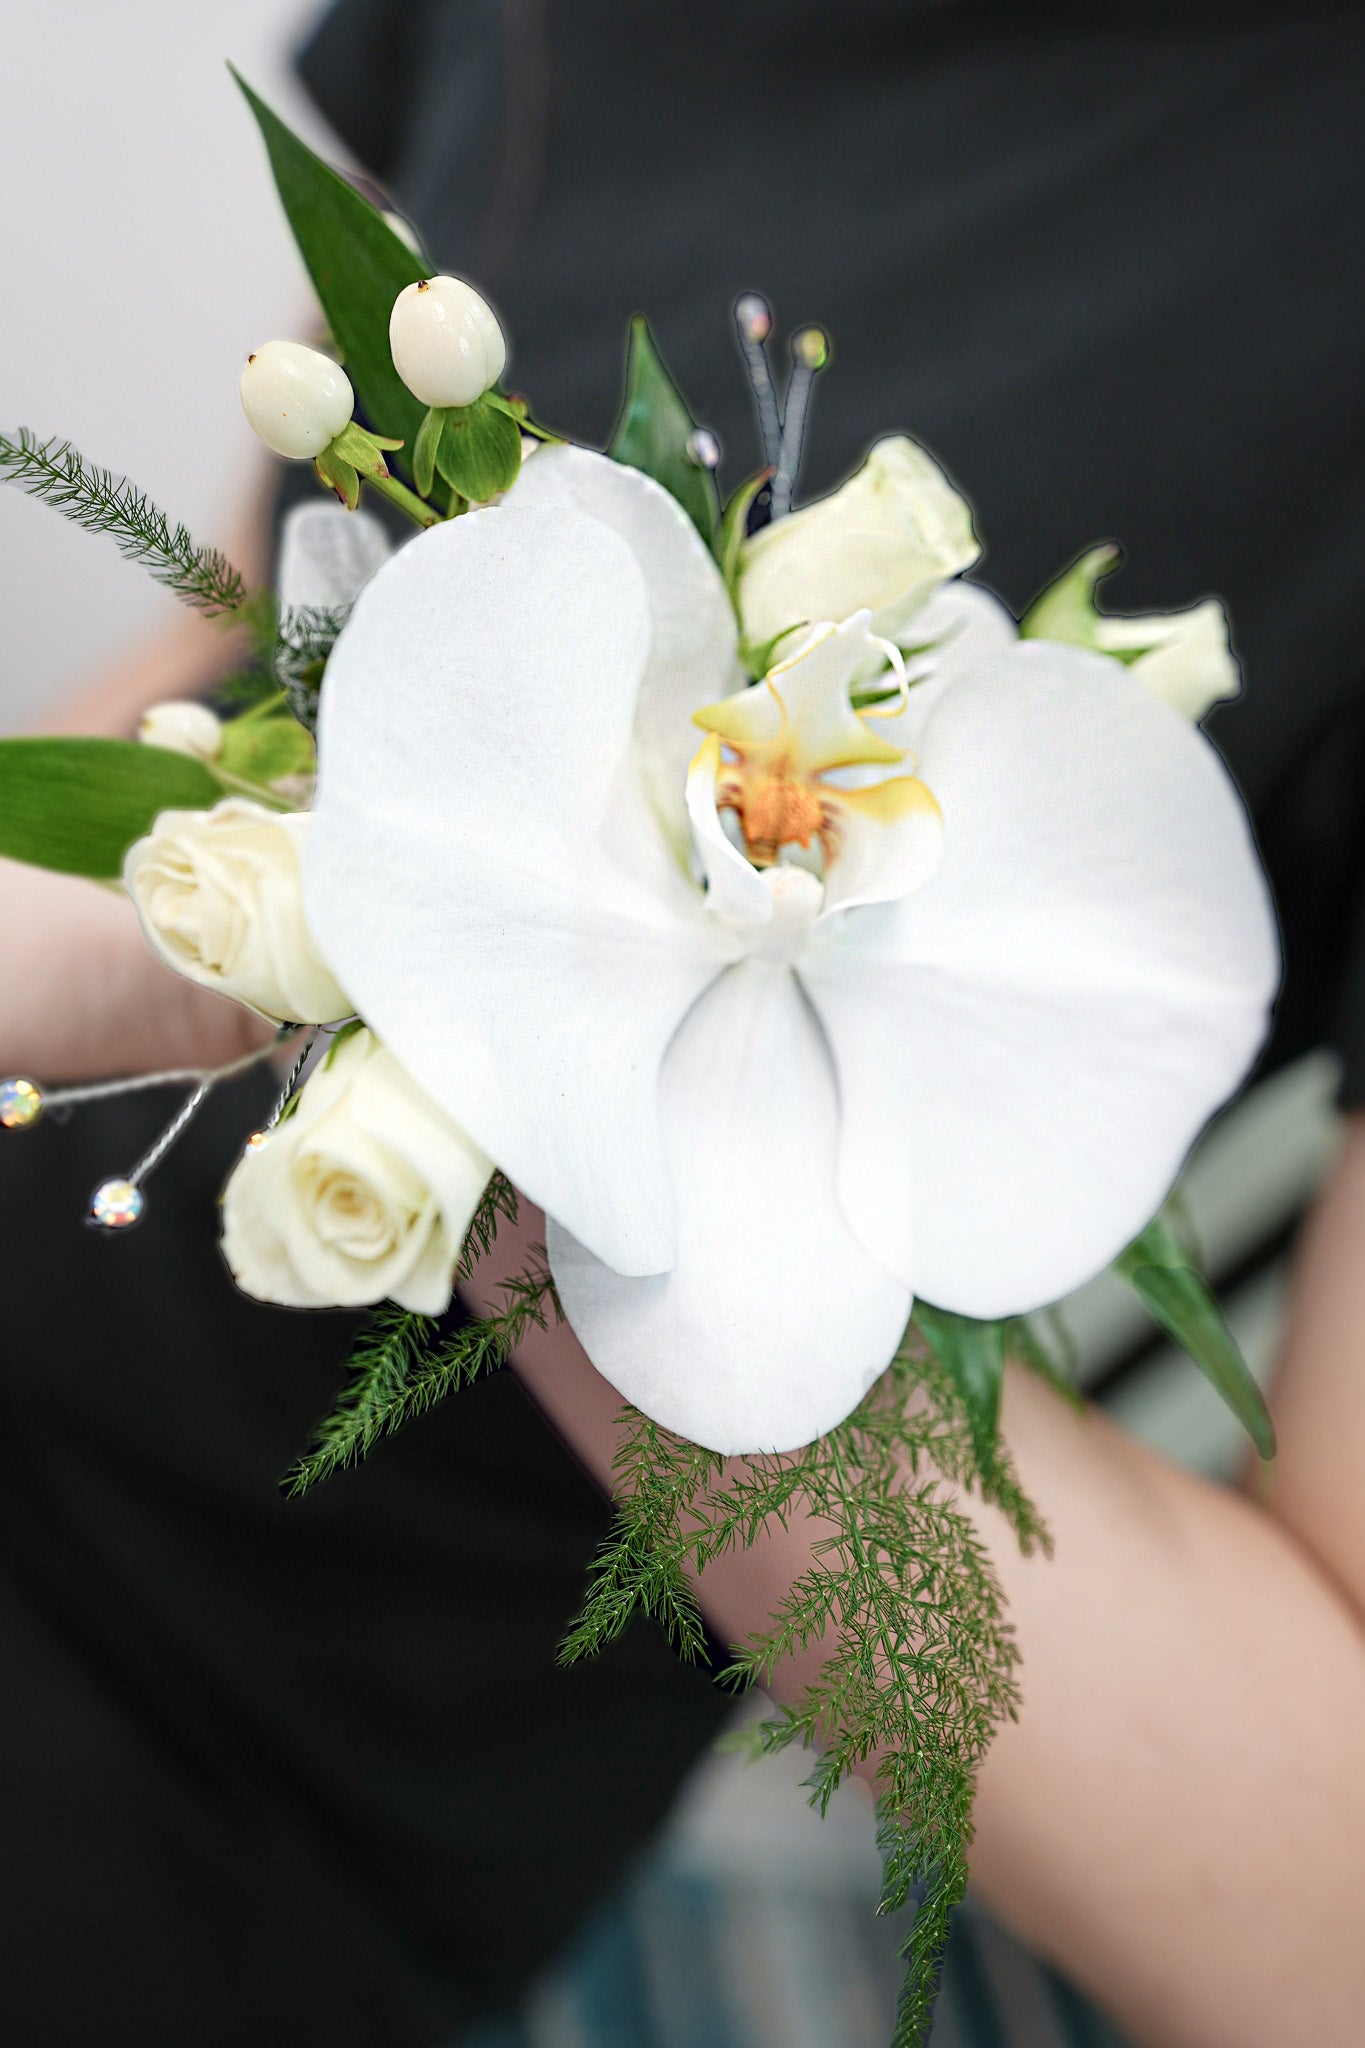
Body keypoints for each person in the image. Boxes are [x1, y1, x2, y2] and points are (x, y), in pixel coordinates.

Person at [5, 1, 1365, 2043]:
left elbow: (1314, 1925)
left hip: (236, 1748)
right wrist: (198, 932)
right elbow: (246, 642)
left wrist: (492, 1109)